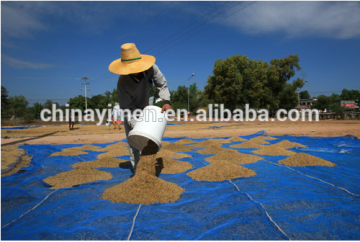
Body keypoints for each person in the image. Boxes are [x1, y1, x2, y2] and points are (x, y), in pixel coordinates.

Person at [108, 43, 172, 174]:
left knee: (149, 140)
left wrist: (167, 101)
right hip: (130, 110)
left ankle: (149, 166)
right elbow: (126, 108)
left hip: (146, 107)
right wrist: (139, 128)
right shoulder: (123, 83)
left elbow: (161, 83)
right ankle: (139, 173)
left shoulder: (151, 68)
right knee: (134, 144)